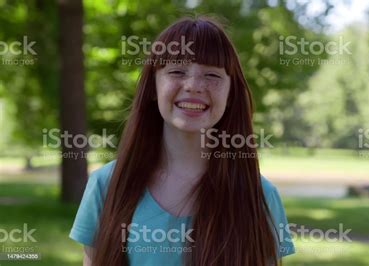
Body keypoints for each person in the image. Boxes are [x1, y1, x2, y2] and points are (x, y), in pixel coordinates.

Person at [69, 16, 295, 266]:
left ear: (231, 94)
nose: (194, 86)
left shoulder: (261, 196)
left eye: (212, 75)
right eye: (177, 71)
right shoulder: (106, 185)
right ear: (153, 88)